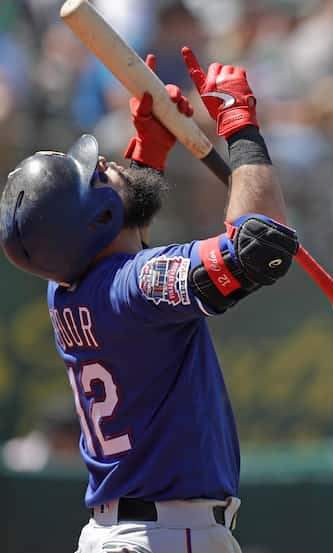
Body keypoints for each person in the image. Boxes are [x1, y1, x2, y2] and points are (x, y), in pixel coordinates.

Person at [0, 48, 298, 553]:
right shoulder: (130, 285)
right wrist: (240, 126)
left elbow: (120, 243)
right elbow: (261, 245)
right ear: (95, 215)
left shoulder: (66, 284)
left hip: (129, 530)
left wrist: (149, 150)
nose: (109, 165)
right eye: (98, 175)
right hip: (163, 535)